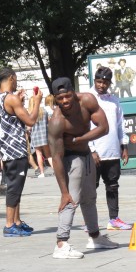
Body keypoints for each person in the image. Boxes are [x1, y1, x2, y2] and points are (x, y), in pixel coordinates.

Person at [47, 77, 118, 259]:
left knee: (89, 198)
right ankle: (61, 244)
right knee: (71, 200)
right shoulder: (57, 121)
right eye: (59, 99)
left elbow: (104, 127)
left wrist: (80, 140)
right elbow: (56, 158)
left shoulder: (87, 100)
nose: (64, 102)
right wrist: (63, 191)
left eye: (67, 97)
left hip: (86, 154)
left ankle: (95, 238)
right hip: (70, 160)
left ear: (74, 92)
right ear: (55, 98)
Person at [0, 67, 42, 237]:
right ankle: (9, 224)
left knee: (17, 186)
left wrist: (17, 101)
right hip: (16, 150)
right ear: (11, 78)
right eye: (16, 78)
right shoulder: (11, 98)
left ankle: (17, 221)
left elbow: (8, 117)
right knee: (14, 187)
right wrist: (36, 102)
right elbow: (31, 120)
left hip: (6, 149)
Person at [88, 66, 132, 231]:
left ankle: (114, 219)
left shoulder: (114, 100)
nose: (101, 85)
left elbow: (120, 125)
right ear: (94, 81)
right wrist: (91, 149)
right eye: (99, 81)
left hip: (112, 150)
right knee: (91, 188)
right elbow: (85, 126)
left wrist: (124, 146)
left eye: (105, 82)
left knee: (112, 185)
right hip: (95, 151)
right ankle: (90, 221)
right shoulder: (88, 98)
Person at [28, 93, 52, 178]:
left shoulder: (30, 113)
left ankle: (42, 172)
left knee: (38, 154)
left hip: (35, 136)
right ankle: (56, 170)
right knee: (48, 154)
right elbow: (49, 121)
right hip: (44, 135)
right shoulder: (44, 111)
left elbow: (29, 127)